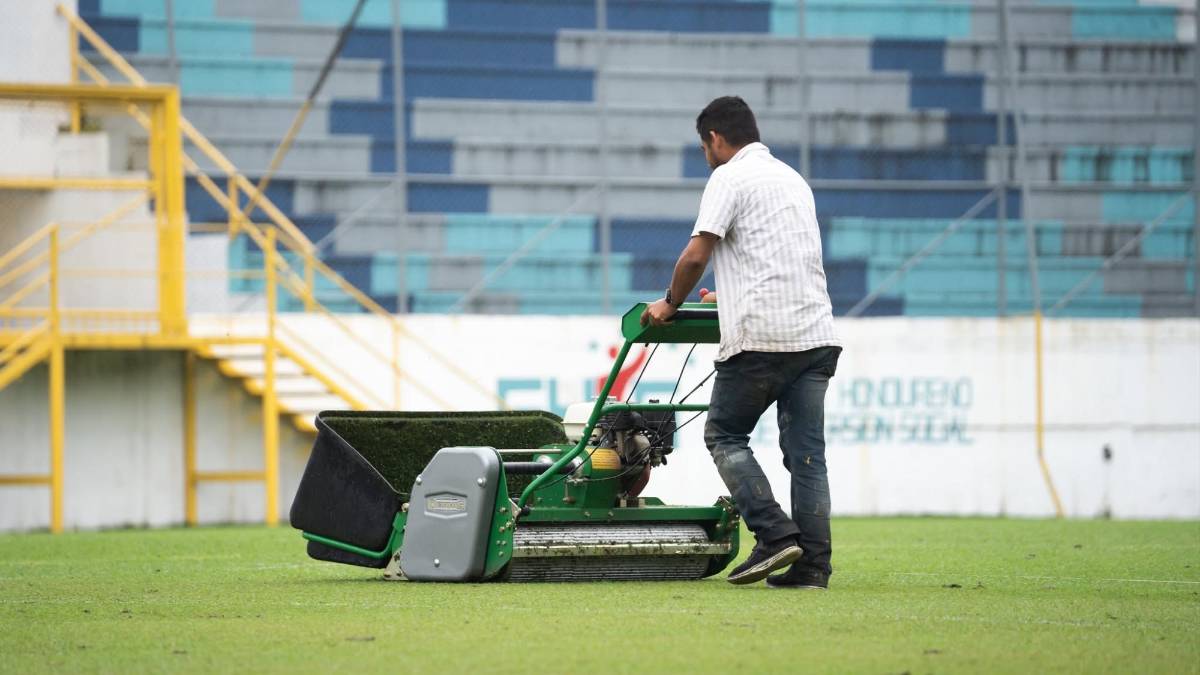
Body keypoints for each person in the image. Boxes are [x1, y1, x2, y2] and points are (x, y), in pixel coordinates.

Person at [640, 96, 842, 589]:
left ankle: (773, 535)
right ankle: (813, 566)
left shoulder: (728, 177)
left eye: (703, 146)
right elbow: (773, 256)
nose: (705, 155)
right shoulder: (792, 179)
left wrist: (669, 303)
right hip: (815, 336)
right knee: (806, 453)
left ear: (714, 139)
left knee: (724, 435)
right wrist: (727, 291)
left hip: (762, 337)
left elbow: (694, 256)